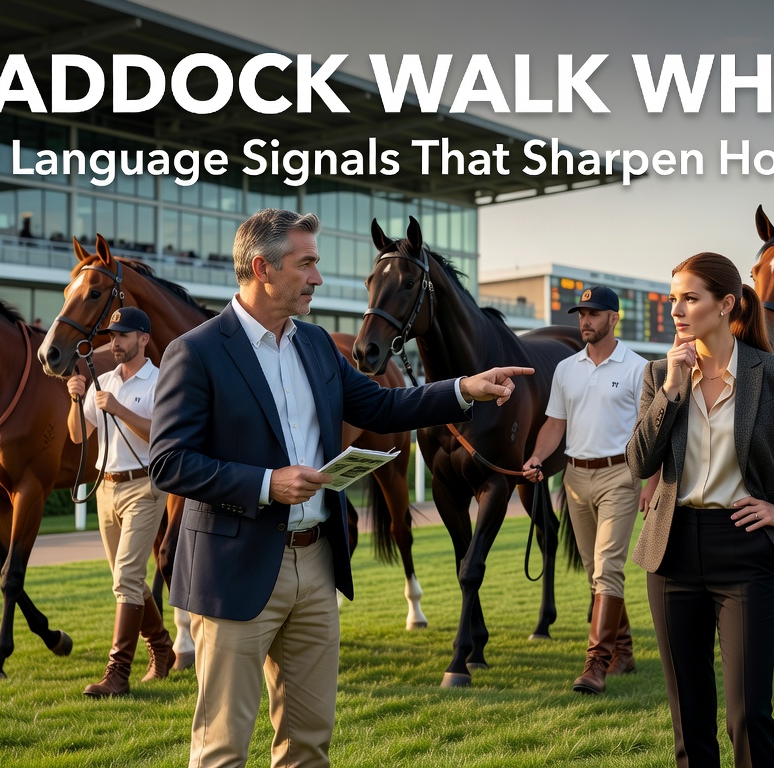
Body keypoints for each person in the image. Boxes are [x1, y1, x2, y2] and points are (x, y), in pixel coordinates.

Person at [149, 208, 532, 768]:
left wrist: (462, 390)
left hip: (317, 569)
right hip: (234, 569)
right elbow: (170, 462)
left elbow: (381, 404)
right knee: (222, 749)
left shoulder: (315, 345)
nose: (318, 278)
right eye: (307, 264)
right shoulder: (197, 352)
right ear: (263, 268)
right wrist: (266, 483)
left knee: (309, 745)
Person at [626, 252, 774, 768]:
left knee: (748, 716)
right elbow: (639, 461)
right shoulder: (660, 374)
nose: (676, 309)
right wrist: (673, 392)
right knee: (688, 719)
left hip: (744, 551)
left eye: (689, 298)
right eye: (672, 298)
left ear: (726, 304)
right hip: (670, 553)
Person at [522, 284, 655, 695]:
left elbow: (652, 431)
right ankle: (625, 651)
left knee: (606, 568)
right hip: (574, 480)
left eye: (594, 314)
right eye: (581, 314)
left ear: (613, 318)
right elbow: (554, 425)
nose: (585, 321)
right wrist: (537, 457)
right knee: (594, 573)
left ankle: (596, 665)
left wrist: (651, 481)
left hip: (621, 476)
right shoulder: (566, 369)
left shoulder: (637, 368)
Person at [65, 306, 175, 698]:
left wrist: (119, 408)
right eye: (112, 335)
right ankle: (162, 646)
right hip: (106, 488)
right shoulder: (104, 381)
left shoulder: (160, 381)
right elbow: (78, 436)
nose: (114, 342)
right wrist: (76, 401)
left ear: (143, 339)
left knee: (126, 578)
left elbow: (159, 436)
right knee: (126, 579)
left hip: (144, 487)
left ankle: (117, 674)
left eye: (123, 335)